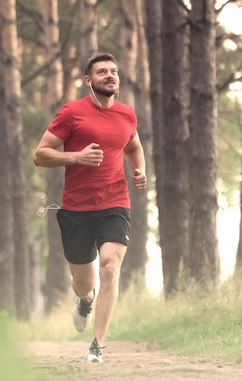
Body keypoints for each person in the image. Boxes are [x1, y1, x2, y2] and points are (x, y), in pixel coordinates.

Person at [33, 52, 147, 363]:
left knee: (110, 265)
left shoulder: (127, 115)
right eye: (102, 72)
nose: (110, 76)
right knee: (85, 283)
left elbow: (134, 146)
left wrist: (140, 170)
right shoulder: (72, 113)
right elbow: (40, 154)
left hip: (115, 202)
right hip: (75, 208)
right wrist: (75, 157)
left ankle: (97, 345)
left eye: (114, 71)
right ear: (89, 81)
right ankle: (85, 300)